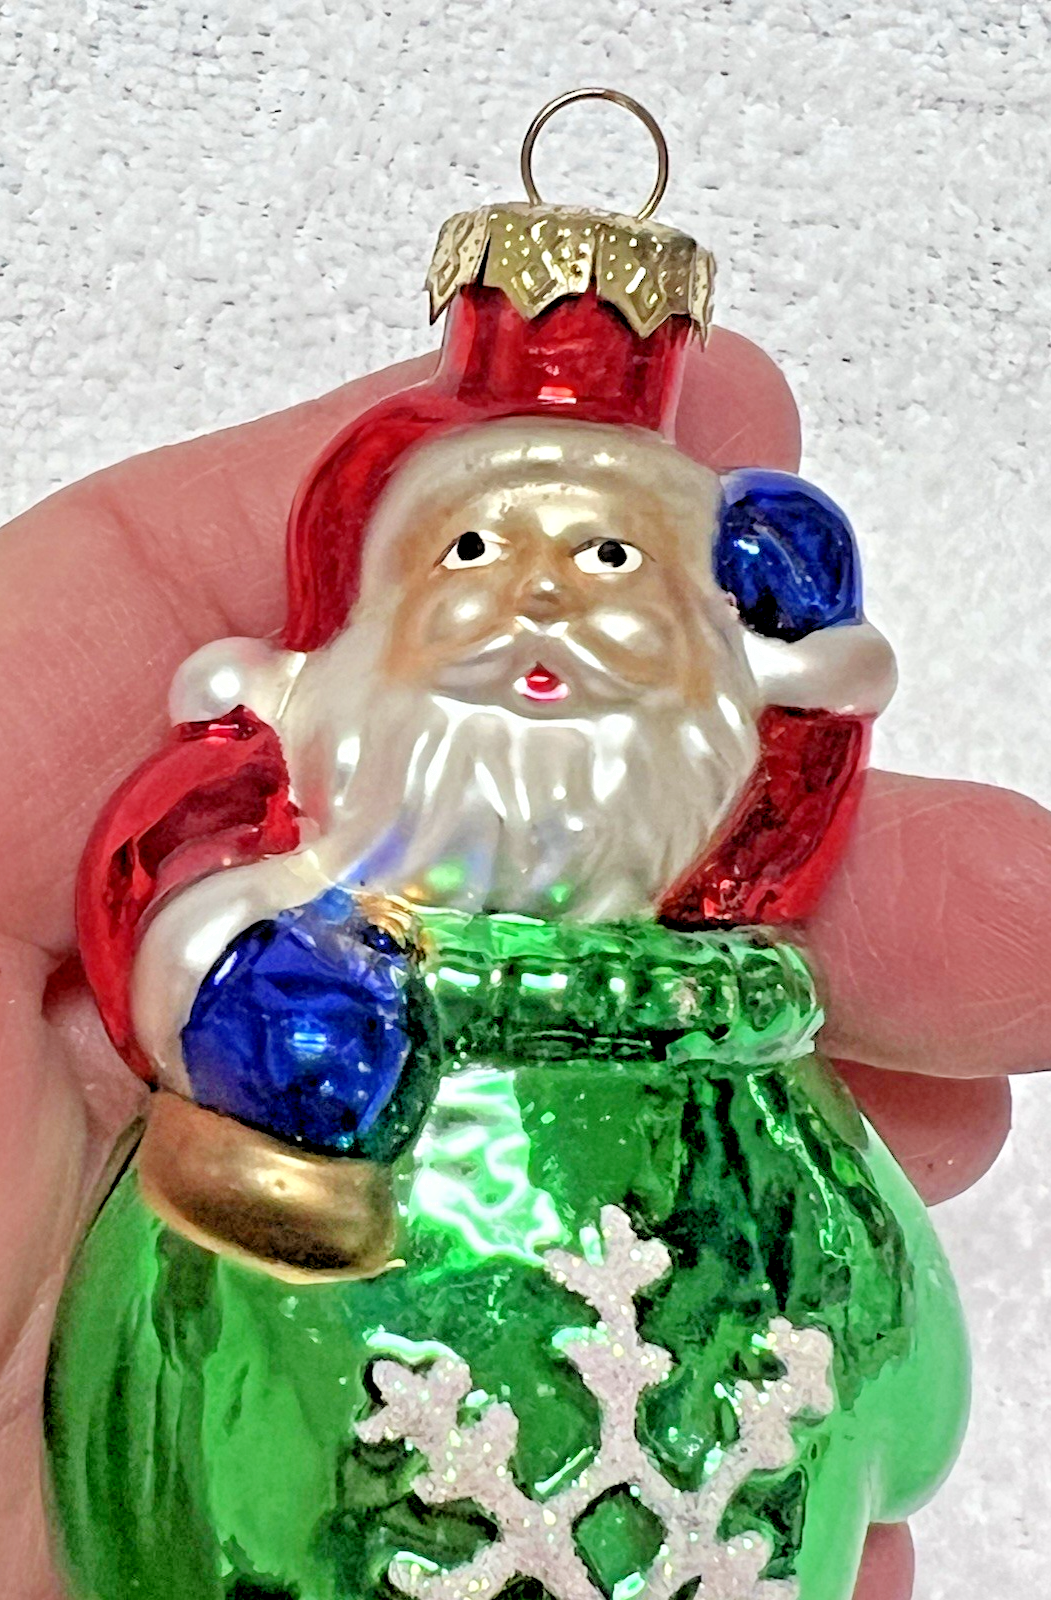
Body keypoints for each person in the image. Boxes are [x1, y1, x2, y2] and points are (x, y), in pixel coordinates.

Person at [0, 329, 1038, 1600]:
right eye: (475, 551)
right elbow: (159, 1390)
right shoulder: (290, 1003)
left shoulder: (737, 1065)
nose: (540, 601)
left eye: (609, 558)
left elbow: (889, 1369)